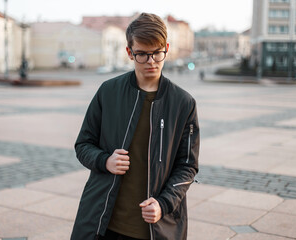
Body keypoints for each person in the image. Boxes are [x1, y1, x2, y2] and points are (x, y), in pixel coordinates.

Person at [70, 13, 200, 240]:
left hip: (157, 225)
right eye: (142, 54)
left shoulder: (183, 103)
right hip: (103, 221)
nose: (151, 62)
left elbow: (187, 166)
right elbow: (83, 144)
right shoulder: (108, 92)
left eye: (157, 53)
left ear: (166, 48)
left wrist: (164, 203)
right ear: (130, 52)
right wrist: (105, 160)